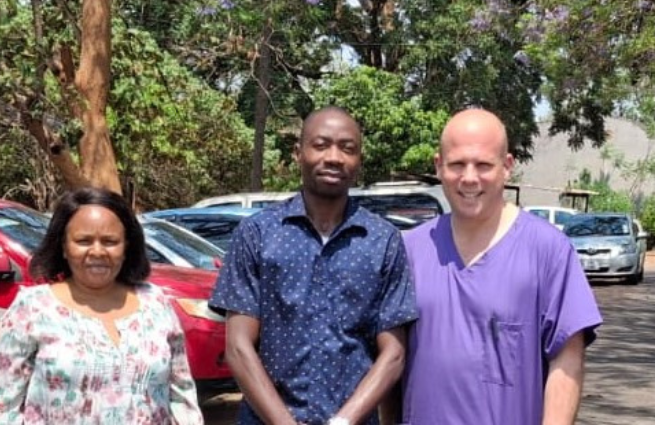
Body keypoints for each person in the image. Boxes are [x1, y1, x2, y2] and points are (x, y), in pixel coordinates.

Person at [209, 106, 419, 425]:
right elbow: (238, 347)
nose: (334, 157)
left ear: (359, 159)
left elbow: (393, 354)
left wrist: (342, 422)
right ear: (299, 153)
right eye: (321, 145)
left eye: (347, 148)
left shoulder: (384, 241)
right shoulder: (257, 234)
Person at [397, 108, 603, 424]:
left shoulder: (547, 250)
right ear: (439, 166)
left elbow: (568, 358)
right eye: (456, 164)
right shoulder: (411, 249)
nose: (469, 177)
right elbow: (389, 357)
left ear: (507, 167)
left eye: (483, 165)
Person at [0, 187, 203, 425]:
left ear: (126, 246)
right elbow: (2, 406)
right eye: (83, 241)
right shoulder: (33, 307)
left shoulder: (155, 302)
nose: (97, 251)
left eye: (110, 241)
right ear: (64, 247)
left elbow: (182, 395)